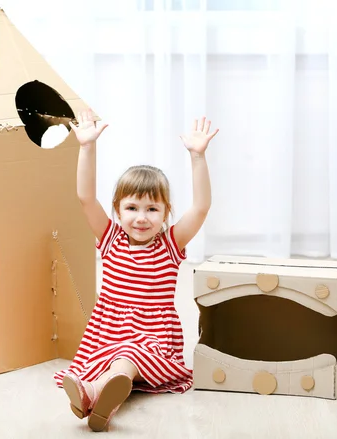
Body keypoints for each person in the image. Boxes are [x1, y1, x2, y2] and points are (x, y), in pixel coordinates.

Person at [54, 109, 219, 432]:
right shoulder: (110, 237)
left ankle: (94, 391)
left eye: (152, 209)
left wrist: (197, 157)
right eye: (131, 208)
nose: (141, 218)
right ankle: (104, 400)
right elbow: (85, 197)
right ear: (117, 210)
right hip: (109, 332)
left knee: (130, 354)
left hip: (153, 337)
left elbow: (201, 207)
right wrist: (87, 147)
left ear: (165, 213)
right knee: (118, 359)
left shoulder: (171, 244)